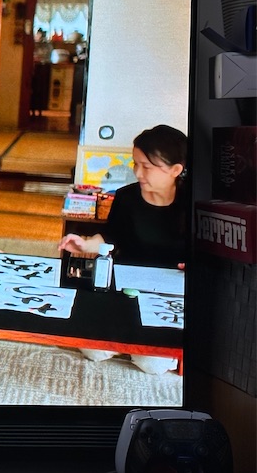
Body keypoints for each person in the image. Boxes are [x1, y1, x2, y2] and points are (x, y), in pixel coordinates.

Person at [58, 124, 188, 374]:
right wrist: (85, 244)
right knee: (93, 350)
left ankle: (137, 346)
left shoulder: (192, 203)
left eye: (146, 167)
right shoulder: (127, 197)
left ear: (175, 170)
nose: (137, 172)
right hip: (125, 289)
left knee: (152, 364)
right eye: (135, 164)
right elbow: (111, 237)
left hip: (168, 297)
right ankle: (128, 343)